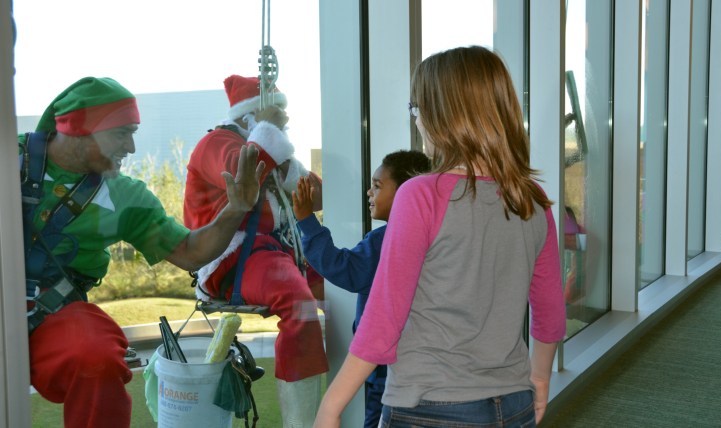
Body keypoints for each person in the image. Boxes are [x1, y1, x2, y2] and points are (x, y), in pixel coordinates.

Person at [314, 46, 567, 427]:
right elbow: (549, 313)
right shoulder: (531, 201)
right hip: (513, 405)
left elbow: (384, 317)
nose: (415, 121)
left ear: (440, 115)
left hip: (429, 407)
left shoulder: (421, 195)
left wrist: (331, 406)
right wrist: (539, 379)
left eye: (415, 109)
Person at [20, 76, 265, 428]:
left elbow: (190, 252)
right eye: (122, 132)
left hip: (53, 315)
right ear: (79, 128)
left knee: (96, 355)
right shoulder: (9, 157)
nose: (132, 147)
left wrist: (235, 210)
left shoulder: (126, 197)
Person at [183, 74, 328, 427]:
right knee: (300, 307)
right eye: (277, 113)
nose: (285, 121)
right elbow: (242, 173)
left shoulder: (268, 151)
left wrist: (287, 161)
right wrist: (269, 129)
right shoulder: (217, 143)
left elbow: (318, 195)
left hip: (275, 253)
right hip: (230, 257)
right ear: (252, 117)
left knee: (343, 285)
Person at [292, 149, 431, 428]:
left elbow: (345, 270)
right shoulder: (432, 235)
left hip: (386, 368)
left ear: (408, 192)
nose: (369, 192)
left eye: (378, 186)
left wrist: (306, 220)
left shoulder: (386, 240)